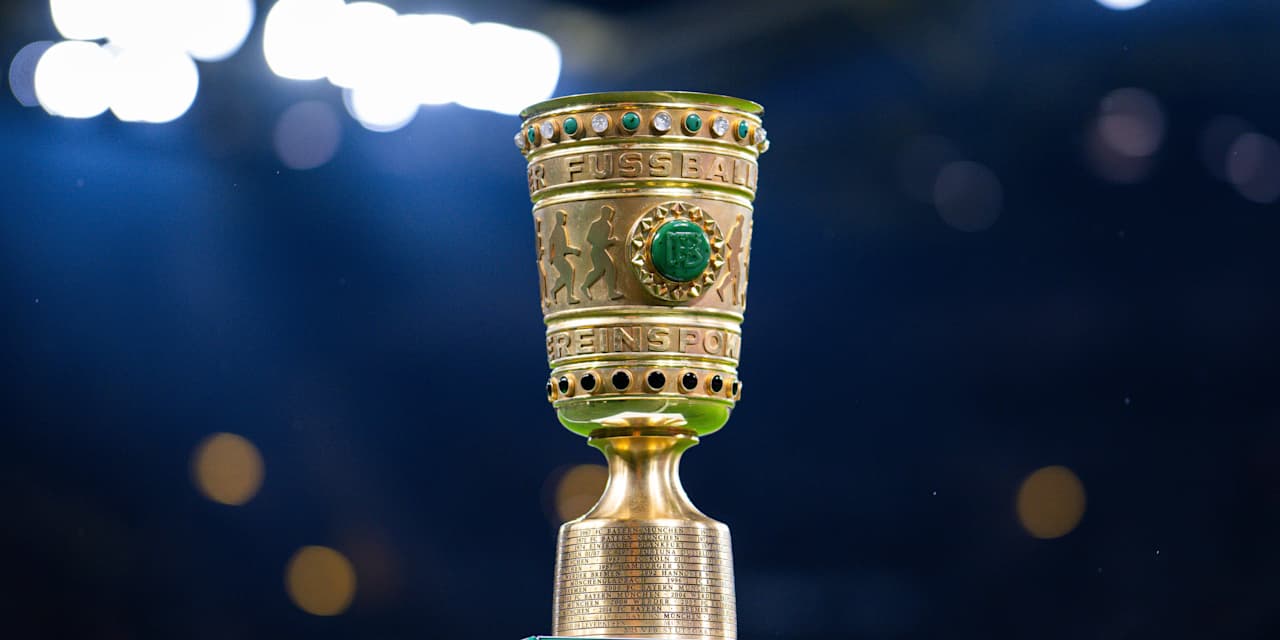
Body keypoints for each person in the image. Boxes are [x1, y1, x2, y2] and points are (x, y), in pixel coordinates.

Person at [580, 205, 624, 300]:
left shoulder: (608, 225)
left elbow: (603, 241)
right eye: (610, 214)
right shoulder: (596, 224)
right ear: (604, 213)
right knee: (603, 269)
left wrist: (607, 242)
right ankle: (586, 286)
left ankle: (609, 291)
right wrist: (610, 241)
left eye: (611, 214)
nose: (611, 216)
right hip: (597, 251)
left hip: (601, 250)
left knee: (604, 269)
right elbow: (589, 238)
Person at [548, 210, 580, 304]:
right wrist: (574, 250)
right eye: (563, 217)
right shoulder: (560, 229)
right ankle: (569, 297)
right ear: (559, 218)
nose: (564, 219)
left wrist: (550, 256)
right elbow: (563, 247)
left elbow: (550, 242)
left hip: (557, 257)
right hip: (558, 257)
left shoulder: (556, 229)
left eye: (565, 217)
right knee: (569, 271)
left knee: (566, 274)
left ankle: (554, 290)